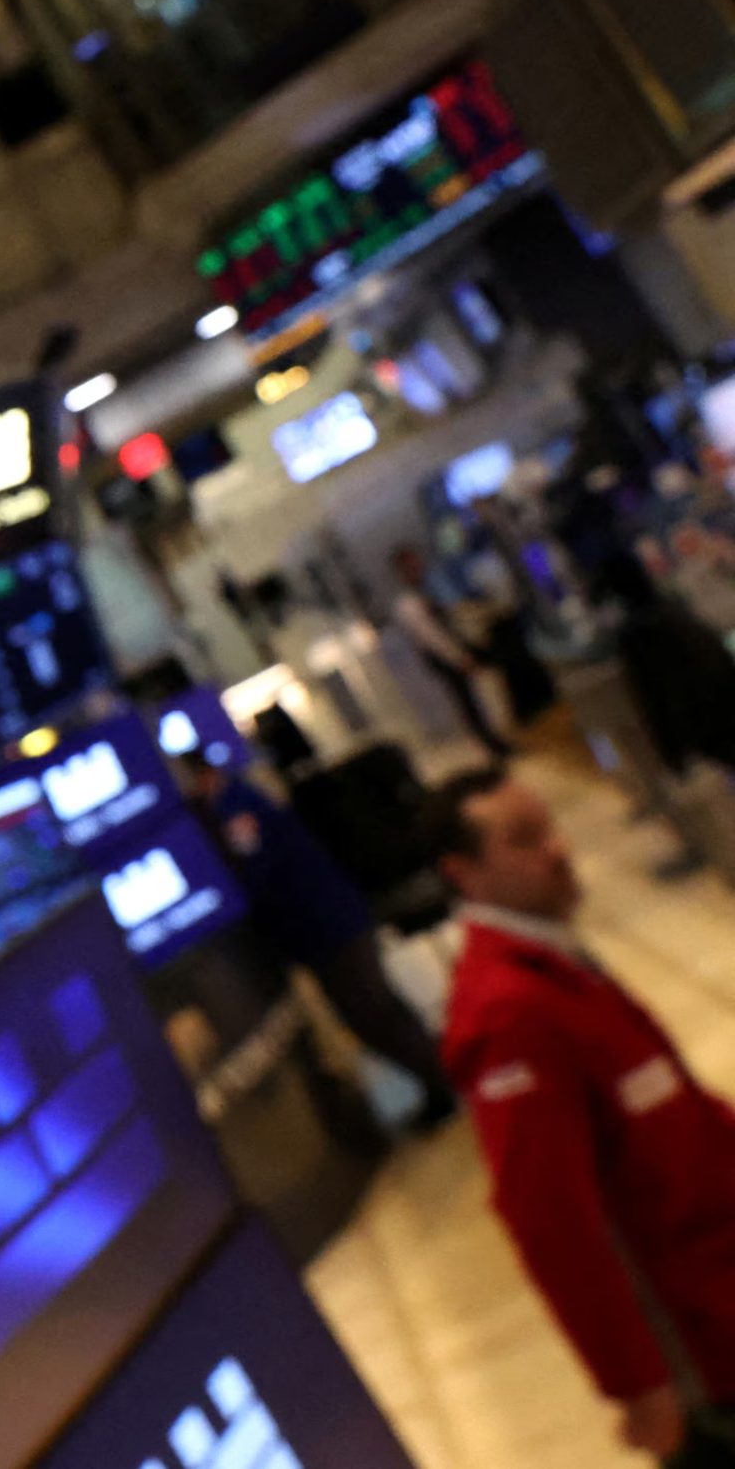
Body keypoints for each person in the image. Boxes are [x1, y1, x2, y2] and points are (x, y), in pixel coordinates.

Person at [428, 770, 735, 1465]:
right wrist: (638, 1385)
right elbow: (551, 1222)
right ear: (463, 873)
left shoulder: (553, 960)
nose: (558, 849)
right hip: (706, 1345)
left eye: (550, 828)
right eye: (525, 840)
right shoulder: (508, 1014)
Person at [180, 755, 459, 1128]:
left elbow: (258, 874)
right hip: (330, 926)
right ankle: (443, 1080)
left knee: (373, 1017)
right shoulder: (241, 800)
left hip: (330, 929)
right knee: (380, 1013)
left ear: (202, 775)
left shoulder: (237, 811)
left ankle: (444, 1085)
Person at [393, 544, 514, 757]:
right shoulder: (408, 603)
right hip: (445, 658)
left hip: (453, 652)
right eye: (411, 565)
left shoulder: (426, 591)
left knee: (477, 697)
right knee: (468, 703)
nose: (418, 567)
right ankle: (493, 745)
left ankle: (497, 740)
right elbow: (432, 637)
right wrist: (458, 657)